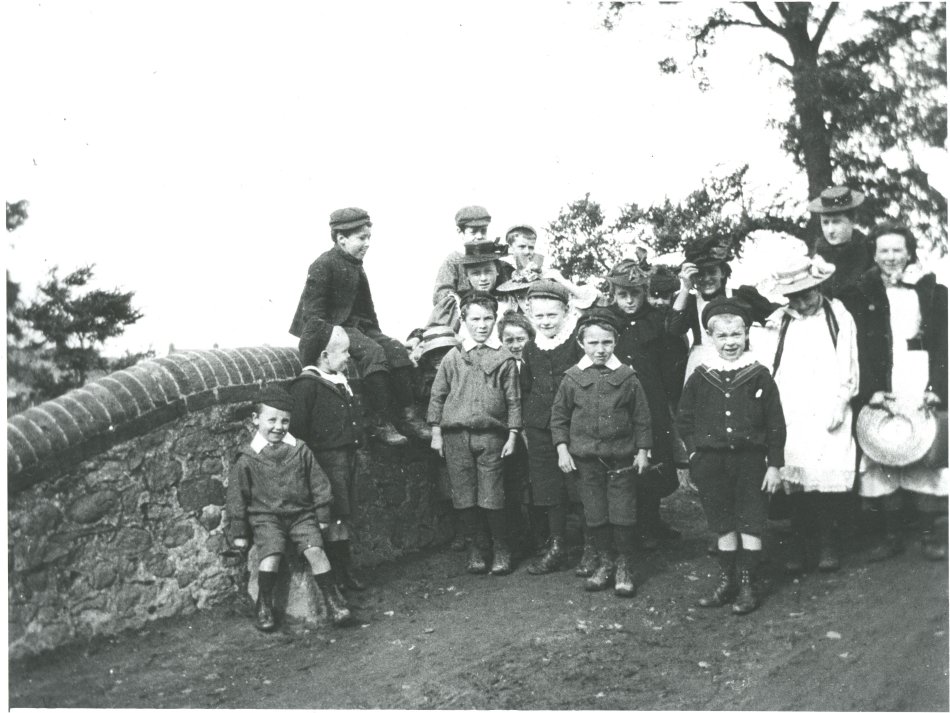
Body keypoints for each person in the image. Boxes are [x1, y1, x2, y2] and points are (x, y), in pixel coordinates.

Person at [839, 222, 948, 561]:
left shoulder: (932, 291)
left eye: (897, 250)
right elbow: (854, 347)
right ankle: (891, 535)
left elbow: (944, 343)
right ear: (874, 254)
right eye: (883, 250)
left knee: (922, 445)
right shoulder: (859, 294)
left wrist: (938, 388)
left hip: (918, 375)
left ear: (909, 252)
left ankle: (930, 533)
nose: (890, 257)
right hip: (882, 381)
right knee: (883, 449)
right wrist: (870, 390)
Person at [677, 297, 786, 614]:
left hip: (751, 462)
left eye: (736, 335)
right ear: (711, 338)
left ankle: (749, 584)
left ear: (746, 335)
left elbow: (775, 423)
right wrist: (695, 453)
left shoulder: (758, 374)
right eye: (722, 336)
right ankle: (729, 580)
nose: (729, 342)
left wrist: (774, 465)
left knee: (750, 521)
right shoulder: (701, 375)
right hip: (712, 464)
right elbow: (684, 419)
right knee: (723, 522)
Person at [288, 207, 426, 446]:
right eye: (362, 238)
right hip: (334, 327)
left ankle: (408, 415)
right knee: (373, 353)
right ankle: (380, 420)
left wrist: (380, 334)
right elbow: (313, 315)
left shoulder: (355, 264)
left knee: (394, 349)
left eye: (368, 237)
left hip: (358, 326)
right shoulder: (323, 265)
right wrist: (330, 338)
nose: (367, 243)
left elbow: (367, 311)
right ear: (341, 239)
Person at [226, 385, 352, 630]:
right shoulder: (248, 458)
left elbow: (319, 484)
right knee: (270, 555)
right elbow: (237, 497)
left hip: (301, 516)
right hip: (266, 519)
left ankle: (333, 601)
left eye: (285, 421)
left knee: (316, 551)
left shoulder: (300, 450)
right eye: (271, 419)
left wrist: (323, 515)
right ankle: (264, 604)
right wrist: (239, 532)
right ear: (255, 420)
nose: (278, 426)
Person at [764, 256, 859, 573]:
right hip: (792, 406)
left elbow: (848, 364)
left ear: (819, 286)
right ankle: (799, 541)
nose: (801, 303)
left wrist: (841, 401)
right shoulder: (780, 320)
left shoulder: (838, 316)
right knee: (794, 475)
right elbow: (770, 365)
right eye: (794, 297)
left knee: (827, 474)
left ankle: (827, 541)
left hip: (828, 404)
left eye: (807, 294)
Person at [550, 308, 653, 597]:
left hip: (621, 457)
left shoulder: (627, 377)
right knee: (595, 512)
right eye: (593, 343)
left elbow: (642, 417)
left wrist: (643, 451)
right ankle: (605, 563)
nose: (600, 349)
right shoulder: (572, 378)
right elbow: (558, 418)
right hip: (586, 460)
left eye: (606, 342)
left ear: (615, 342)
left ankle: (623, 565)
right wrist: (562, 450)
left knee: (622, 512)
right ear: (581, 344)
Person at [427, 292, 522, 575]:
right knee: (464, 496)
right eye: (475, 319)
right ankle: (477, 547)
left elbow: (514, 399)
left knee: (492, 495)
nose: (482, 325)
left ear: (495, 319)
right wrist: (436, 432)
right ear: (464, 320)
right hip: (456, 437)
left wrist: (513, 434)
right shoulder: (453, 357)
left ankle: (501, 547)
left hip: (490, 436)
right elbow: (438, 394)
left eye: (488, 319)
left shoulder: (504, 359)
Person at [289, 321, 369, 597]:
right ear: (324, 356)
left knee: (343, 516)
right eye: (344, 352)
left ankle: (345, 570)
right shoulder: (307, 386)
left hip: (346, 459)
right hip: (325, 463)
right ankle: (336, 573)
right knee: (332, 516)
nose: (348, 357)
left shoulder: (337, 380)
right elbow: (298, 431)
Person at [605, 260, 681, 550]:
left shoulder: (656, 320)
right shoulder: (607, 319)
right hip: (619, 401)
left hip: (651, 398)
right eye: (622, 294)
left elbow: (669, 360)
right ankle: (630, 523)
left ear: (643, 291)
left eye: (634, 294)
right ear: (614, 292)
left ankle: (652, 519)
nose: (628, 300)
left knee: (655, 457)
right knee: (625, 457)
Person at [519, 280, 585, 575]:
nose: (545, 322)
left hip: (573, 426)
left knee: (580, 484)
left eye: (552, 315)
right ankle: (558, 545)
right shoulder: (531, 348)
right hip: (540, 428)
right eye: (539, 316)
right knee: (548, 487)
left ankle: (590, 546)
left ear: (566, 312)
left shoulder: (576, 343)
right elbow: (526, 386)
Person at [668, 235, 779, 382]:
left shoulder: (742, 296)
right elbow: (674, 330)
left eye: (712, 272)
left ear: (723, 272)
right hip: (702, 365)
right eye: (700, 274)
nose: (707, 278)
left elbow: (774, 314)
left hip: (739, 364)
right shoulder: (690, 302)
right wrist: (686, 287)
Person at [414, 325, 467, 552]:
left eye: (444, 352)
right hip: (438, 437)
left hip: (460, 433)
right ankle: (460, 532)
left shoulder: (462, 370)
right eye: (433, 353)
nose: (438, 358)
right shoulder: (422, 379)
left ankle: (473, 532)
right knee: (448, 487)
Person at [497, 311, 536, 556]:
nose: (515, 345)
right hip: (508, 433)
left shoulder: (533, 364)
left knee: (535, 482)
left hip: (531, 429)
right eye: (508, 340)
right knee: (513, 483)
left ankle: (539, 535)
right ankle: (519, 537)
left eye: (520, 339)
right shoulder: (501, 366)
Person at [432, 205, 513, 306]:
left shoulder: (494, 258)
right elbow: (441, 297)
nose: (479, 236)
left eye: (483, 231)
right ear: (460, 232)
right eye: (473, 232)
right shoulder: (452, 261)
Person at [807, 185, 874, 297]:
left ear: (852, 220)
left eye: (837, 222)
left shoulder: (869, 249)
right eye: (825, 222)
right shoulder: (818, 253)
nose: (830, 230)